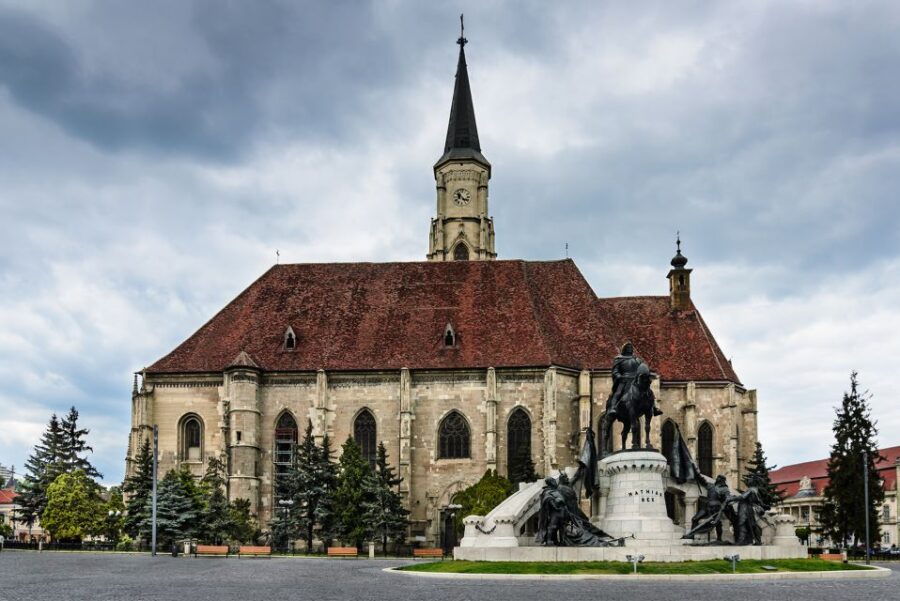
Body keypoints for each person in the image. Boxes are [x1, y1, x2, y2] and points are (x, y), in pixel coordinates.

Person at [606, 343, 663, 420]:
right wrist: (619, 376)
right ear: (624, 349)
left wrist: (646, 372)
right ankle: (613, 408)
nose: (630, 349)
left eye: (631, 347)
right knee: (618, 393)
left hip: (635, 380)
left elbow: (642, 369)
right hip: (624, 380)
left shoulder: (637, 360)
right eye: (628, 347)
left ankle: (654, 408)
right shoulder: (619, 359)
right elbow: (615, 370)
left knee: (649, 393)